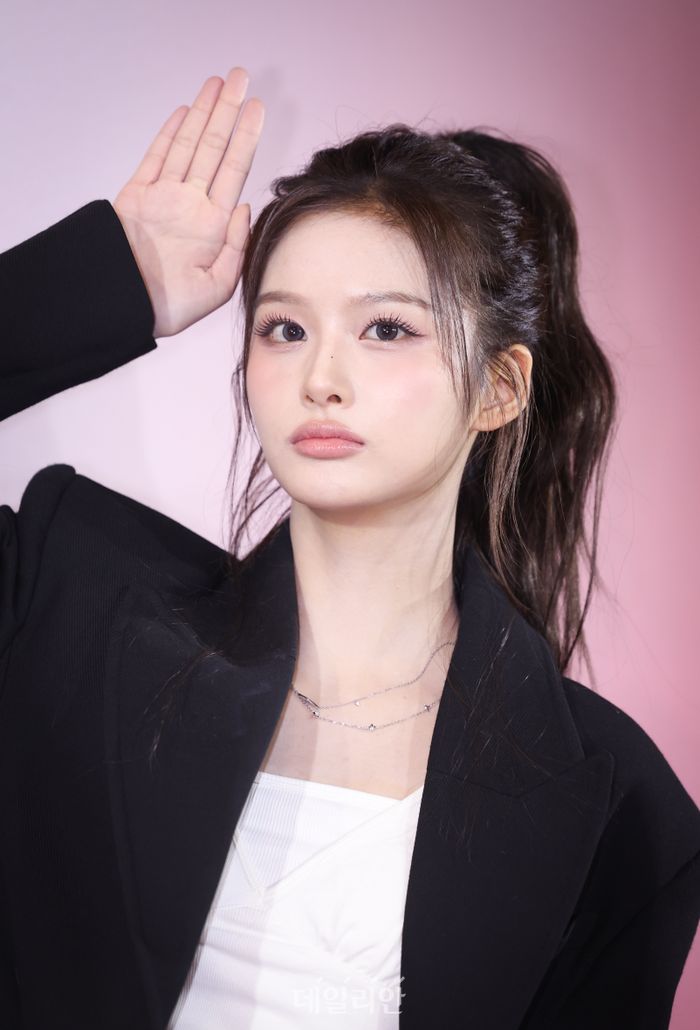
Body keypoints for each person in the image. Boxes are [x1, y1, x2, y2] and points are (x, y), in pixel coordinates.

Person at [0, 64, 698, 1030]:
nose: (320, 376)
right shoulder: (75, 598)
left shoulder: (620, 800)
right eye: (284, 327)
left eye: (386, 328)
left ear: (499, 388)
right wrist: (103, 284)